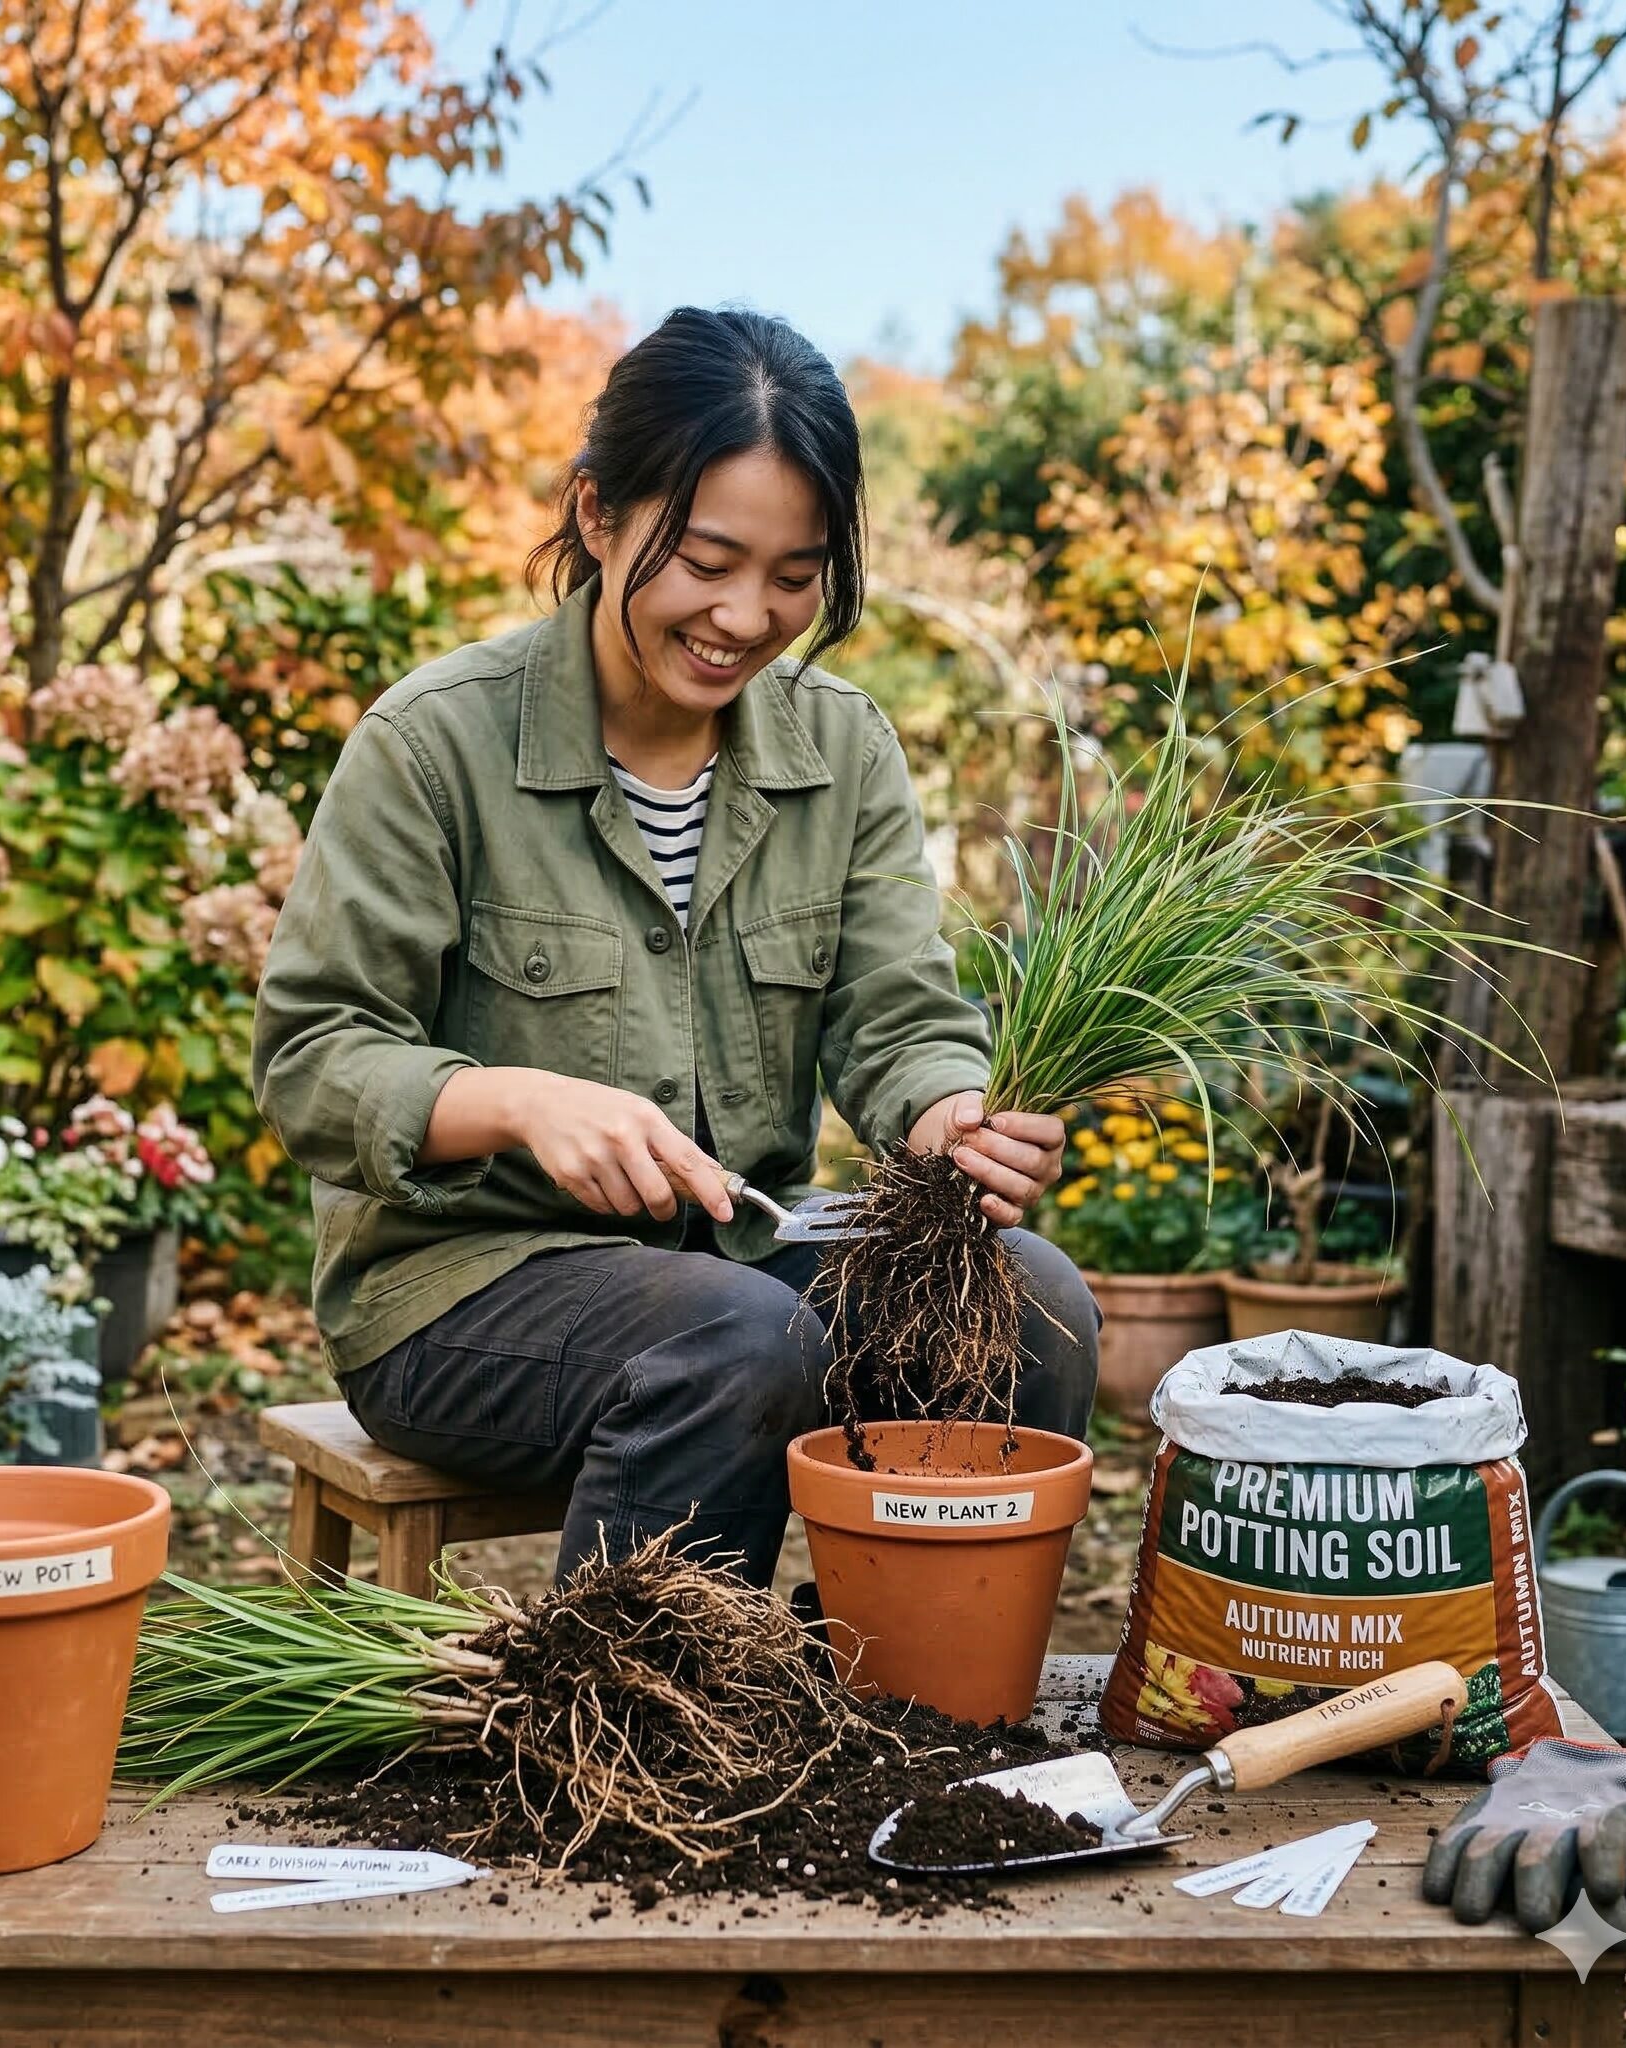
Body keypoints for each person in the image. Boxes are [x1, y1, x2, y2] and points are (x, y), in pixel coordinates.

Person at [253, 306, 1098, 1589]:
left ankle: (905, 1707)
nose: (743, 615)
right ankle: (642, 1738)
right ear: (597, 515)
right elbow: (314, 1058)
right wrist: (516, 1101)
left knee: (1029, 1304)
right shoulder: (435, 745)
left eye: (794, 575)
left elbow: (898, 1014)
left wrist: (946, 1109)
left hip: (738, 1247)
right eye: (705, 558)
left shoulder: (842, 748)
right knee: (738, 1339)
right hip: (457, 1288)